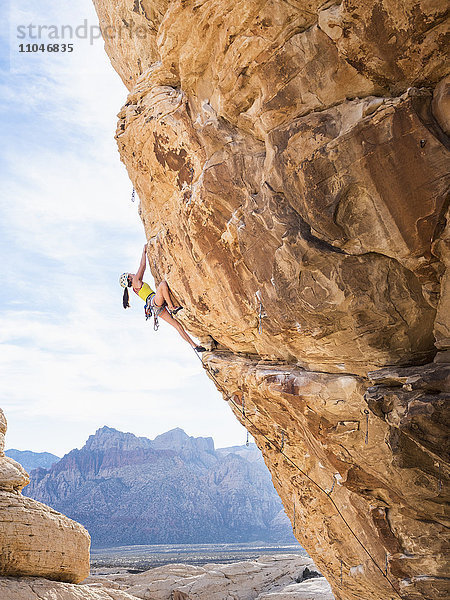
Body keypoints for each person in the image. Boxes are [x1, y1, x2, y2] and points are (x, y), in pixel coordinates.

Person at [119, 244, 206, 352]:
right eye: (130, 274)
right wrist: (144, 251)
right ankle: (171, 307)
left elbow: (143, 269)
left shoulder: (135, 286)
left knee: (177, 326)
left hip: (155, 308)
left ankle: (195, 346)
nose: (132, 273)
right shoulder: (135, 281)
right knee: (163, 284)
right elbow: (142, 266)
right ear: (129, 278)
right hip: (154, 301)